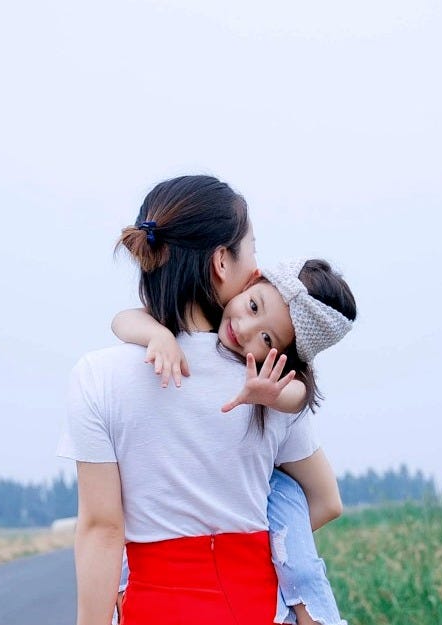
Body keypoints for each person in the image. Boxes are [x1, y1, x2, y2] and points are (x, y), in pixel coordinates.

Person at [58, 175, 344, 625]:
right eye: (251, 249)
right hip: (249, 607)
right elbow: (326, 500)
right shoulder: (269, 383)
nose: (257, 268)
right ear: (220, 263)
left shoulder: (98, 377)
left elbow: (101, 529)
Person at [112, 258, 356, 625]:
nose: (245, 329)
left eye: (267, 339)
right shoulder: (190, 322)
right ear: (252, 280)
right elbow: (122, 320)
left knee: (285, 497)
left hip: (261, 515)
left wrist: (268, 395)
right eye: (253, 306)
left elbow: (298, 395)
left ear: (282, 357)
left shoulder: (269, 385)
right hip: (185, 572)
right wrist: (158, 336)